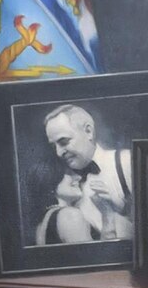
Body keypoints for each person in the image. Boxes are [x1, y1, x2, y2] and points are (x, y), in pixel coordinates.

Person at [36, 103, 131, 242]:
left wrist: (124, 209)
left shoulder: (126, 161)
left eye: (64, 142)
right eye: (53, 146)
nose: (58, 152)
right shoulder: (66, 185)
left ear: (88, 132)